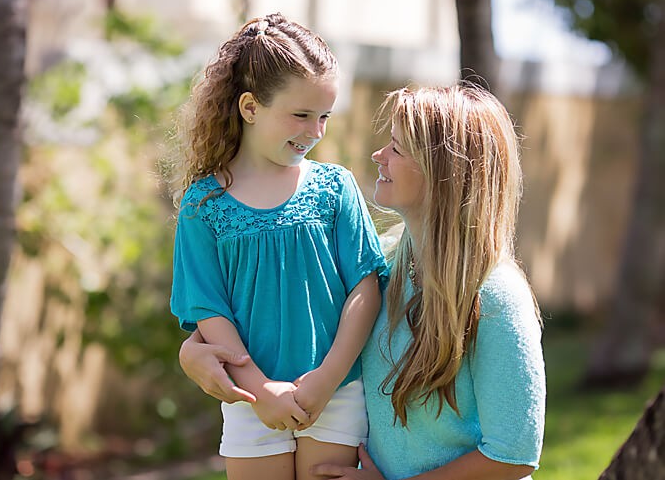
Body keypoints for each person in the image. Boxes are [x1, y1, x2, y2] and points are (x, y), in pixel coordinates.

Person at [179, 83, 546, 480]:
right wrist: (192, 352)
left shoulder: (495, 295)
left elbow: (514, 455)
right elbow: (286, 305)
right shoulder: (386, 264)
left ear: (444, 174)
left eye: (397, 148)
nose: (378, 155)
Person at [169, 12, 388, 480]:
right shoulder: (203, 205)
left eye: (325, 116)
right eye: (301, 115)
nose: (316, 132)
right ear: (250, 108)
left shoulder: (335, 187)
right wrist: (261, 389)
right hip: (251, 401)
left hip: (337, 391)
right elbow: (210, 310)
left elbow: (365, 288)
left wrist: (326, 380)